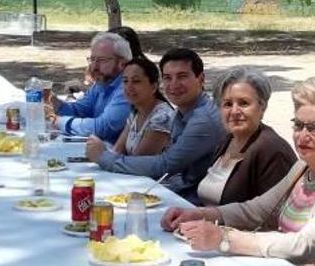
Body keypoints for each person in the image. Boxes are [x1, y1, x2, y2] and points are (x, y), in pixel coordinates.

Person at [161, 77, 315, 266]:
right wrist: (201, 214)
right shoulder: (303, 167)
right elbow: (256, 210)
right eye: (298, 125)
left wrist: (224, 238)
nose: (302, 136)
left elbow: (308, 247)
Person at [91, 48, 225, 202]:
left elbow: (165, 165)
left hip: (195, 203)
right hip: (179, 192)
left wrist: (104, 158)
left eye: (182, 76)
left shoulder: (203, 119)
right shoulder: (180, 112)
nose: (174, 85)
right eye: (168, 78)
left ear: (201, 79)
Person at [196, 66, 296, 206]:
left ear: (262, 107)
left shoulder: (272, 151)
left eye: (244, 103)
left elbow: (271, 215)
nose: (235, 111)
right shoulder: (228, 140)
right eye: (227, 104)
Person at [85, 57, 173, 160]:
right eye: (125, 81)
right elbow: (117, 151)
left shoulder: (162, 117)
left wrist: (103, 153)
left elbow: (137, 163)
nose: (129, 87)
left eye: (136, 81)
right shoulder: (136, 112)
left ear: (153, 87)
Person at [50, 32, 131, 144]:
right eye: (92, 59)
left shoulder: (128, 88)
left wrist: (60, 122)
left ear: (122, 63)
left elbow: (102, 128)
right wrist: (54, 102)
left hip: (116, 157)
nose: (94, 66)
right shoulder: (102, 82)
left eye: (102, 60)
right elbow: (81, 110)